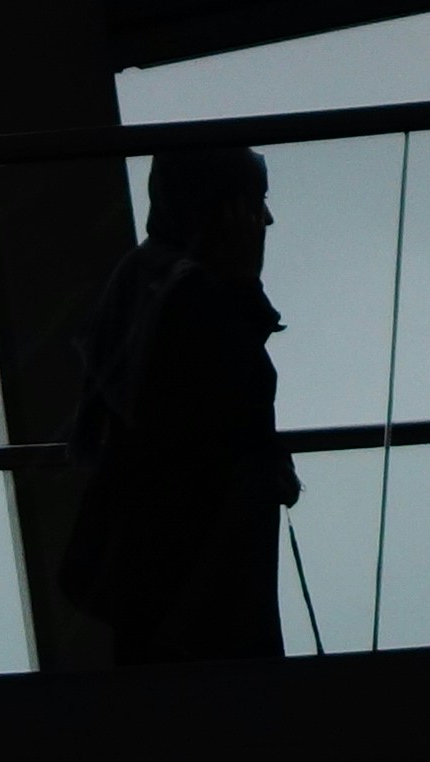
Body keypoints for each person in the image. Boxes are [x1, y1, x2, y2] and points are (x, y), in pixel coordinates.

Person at [62, 145, 299, 666]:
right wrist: (245, 287)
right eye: (255, 202)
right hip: (202, 585)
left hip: (163, 587)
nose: (267, 219)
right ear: (225, 211)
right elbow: (228, 402)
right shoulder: (194, 300)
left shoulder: (142, 281)